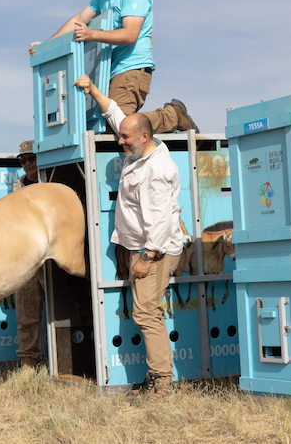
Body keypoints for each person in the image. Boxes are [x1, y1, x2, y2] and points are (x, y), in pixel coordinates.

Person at [74, 74, 183, 400]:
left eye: (125, 139)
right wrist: (92, 89)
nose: (119, 141)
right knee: (145, 311)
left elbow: (160, 220)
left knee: (147, 313)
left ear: (145, 136)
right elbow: (116, 114)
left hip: (155, 250)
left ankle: (162, 384)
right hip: (141, 246)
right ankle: (156, 377)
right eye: (121, 137)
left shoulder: (157, 170)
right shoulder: (140, 144)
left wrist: (148, 257)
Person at [29, 0, 198, 134]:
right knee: (102, 125)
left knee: (121, 124)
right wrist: (46, 46)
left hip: (132, 68)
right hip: (109, 70)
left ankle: (172, 115)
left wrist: (91, 34)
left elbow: (130, 34)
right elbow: (79, 19)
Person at [12, 140, 45, 368]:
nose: (27, 164)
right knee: (26, 313)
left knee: (67, 307)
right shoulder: (18, 188)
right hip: (27, 259)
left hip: (55, 258)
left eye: (31, 159)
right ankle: (28, 363)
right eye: (23, 161)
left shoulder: (52, 182)